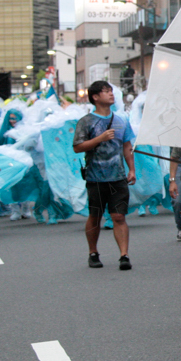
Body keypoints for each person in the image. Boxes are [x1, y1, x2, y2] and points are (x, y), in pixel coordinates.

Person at [73, 81, 136, 270]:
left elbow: (127, 146)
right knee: (95, 215)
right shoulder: (86, 121)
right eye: (106, 91)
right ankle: (93, 252)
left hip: (117, 177)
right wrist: (100, 138)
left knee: (119, 216)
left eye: (111, 91)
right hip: (95, 178)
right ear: (95, 97)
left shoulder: (122, 120)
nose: (111, 94)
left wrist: (131, 169)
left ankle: (124, 255)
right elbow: (77, 147)